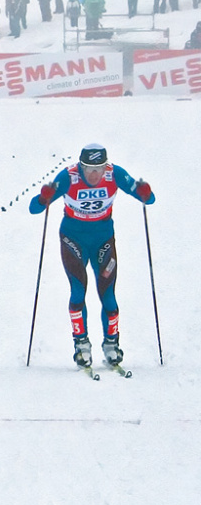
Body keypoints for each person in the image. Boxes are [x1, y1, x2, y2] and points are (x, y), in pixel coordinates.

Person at [29, 144, 155, 369]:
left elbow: (149, 199)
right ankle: (81, 345)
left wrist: (145, 193)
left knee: (108, 293)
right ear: (80, 167)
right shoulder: (69, 177)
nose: (94, 174)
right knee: (78, 290)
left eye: (99, 168)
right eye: (88, 169)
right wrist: (43, 198)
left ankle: (111, 344)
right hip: (73, 239)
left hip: (103, 240)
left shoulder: (115, 174)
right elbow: (34, 209)